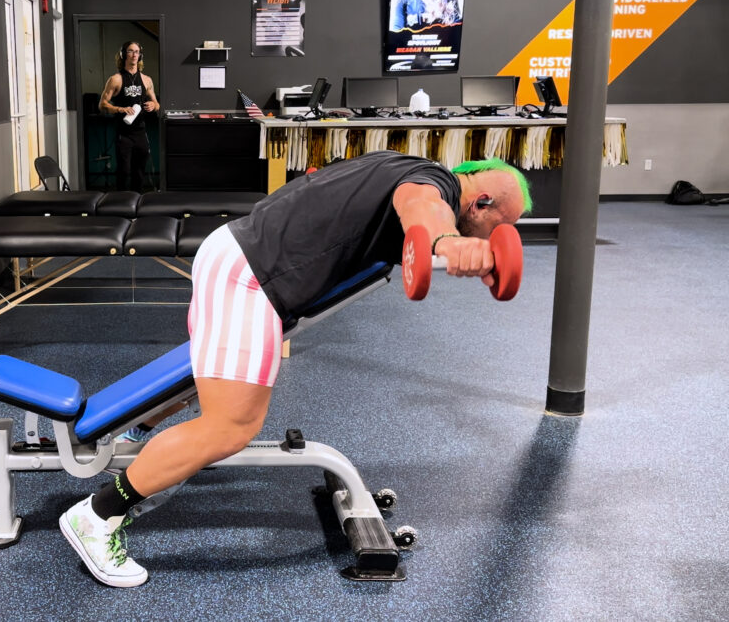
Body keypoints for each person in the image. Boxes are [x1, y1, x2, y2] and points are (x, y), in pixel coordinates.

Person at [58, 151, 532, 587]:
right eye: (499, 226)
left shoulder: (404, 162)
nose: (494, 240)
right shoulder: (434, 184)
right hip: (252, 276)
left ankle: (136, 437)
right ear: (482, 201)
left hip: (240, 257)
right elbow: (420, 204)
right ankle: (97, 516)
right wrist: (447, 238)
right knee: (231, 425)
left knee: (205, 385)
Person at [98, 41, 160, 192]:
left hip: (140, 132)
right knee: (124, 171)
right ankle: (120, 202)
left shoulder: (147, 80)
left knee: (139, 171)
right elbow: (102, 105)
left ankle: (137, 202)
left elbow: (157, 104)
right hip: (123, 133)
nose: (134, 54)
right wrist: (120, 109)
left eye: (137, 51)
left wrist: (153, 105)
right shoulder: (116, 79)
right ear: (124, 54)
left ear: (140, 55)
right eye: (130, 51)